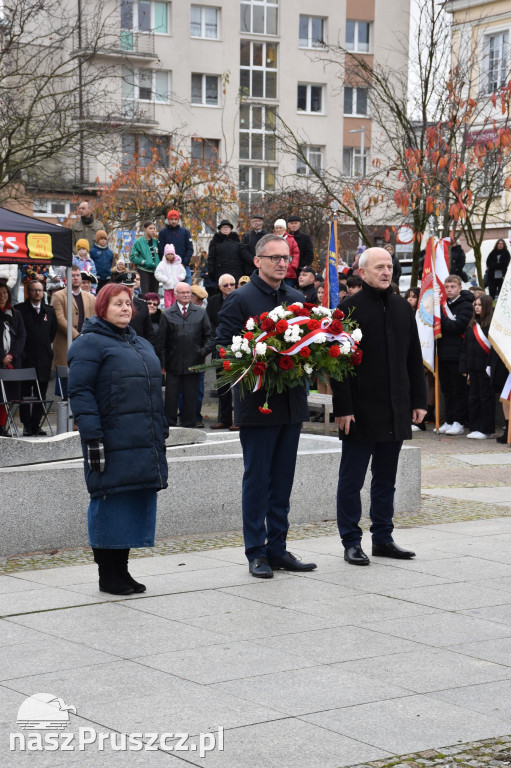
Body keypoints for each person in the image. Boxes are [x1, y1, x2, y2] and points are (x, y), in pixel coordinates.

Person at [215, 234, 317, 578]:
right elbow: (222, 348)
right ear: (257, 261)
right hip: (258, 404)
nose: (281, 263)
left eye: (285, 258)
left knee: (283, 481)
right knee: (258, 480)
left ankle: (278, 548)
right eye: (274, 257)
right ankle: (256, 552)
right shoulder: (240, 299)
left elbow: (307, 341)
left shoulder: (296, 297)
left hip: (292, 403)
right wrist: (257, 358)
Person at [68, 283, 168, 596]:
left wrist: (160, 429)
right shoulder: (89, 344)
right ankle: (107, 575)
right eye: (117, 304)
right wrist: (93, 438)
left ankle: (122, 571)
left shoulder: (139, 343)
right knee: (110, 502)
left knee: (131, 502)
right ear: (102, 308)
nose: (125, 308)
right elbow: (80, 393)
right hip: (110, 439)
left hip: (141, 438)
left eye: (128, 303)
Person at [331, 248, 427, 566]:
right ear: (363, 272)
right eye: (380, 267)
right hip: (359, 410)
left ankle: (383, 538)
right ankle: (351, 541)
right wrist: (343, 408)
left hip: (396, 407)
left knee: (386, 478)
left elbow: (413, 358)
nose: (387, 271)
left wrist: (418, 401)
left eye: (390, 266)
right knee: (352, 479)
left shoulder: (402, 308)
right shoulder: (348, 310)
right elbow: (338, 366)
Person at [157, 282, 214, 428]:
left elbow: (210, 337)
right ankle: (168, 424)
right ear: (175, 294)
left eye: (188, 292)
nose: (186, 295)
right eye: (182, 293)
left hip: (194, 362)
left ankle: (189, 424)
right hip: (173, 363)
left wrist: (202, 351)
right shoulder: (167, 314)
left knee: (191, 396)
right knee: (171, 397)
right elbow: (161, 342)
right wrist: (162, 364)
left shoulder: (201, 312)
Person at [15, 280, 57, 436]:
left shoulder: (49, 311)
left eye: (40, 290)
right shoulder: (19, 310)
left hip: (43, 359)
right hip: (26, 359)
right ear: (28, 291)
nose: (37, 293)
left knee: (41, 394)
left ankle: (36, 424)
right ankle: (26, 424)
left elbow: (52, 333)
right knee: (24, 394)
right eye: (34, 290)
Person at [437, 275, 474, 435]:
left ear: (460, 288)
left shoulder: (466, 306)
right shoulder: (442, 305)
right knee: (447, 389)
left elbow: (457, 327)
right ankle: (450, 419)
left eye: (453, 286)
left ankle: (459, 421)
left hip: (458, 353)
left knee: (458, 389)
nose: (449, 289)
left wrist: (440, 319)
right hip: (443, 352)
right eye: (447, 287)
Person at [460, 294, 495, 439]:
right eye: (475, 304)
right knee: (473, 398)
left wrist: (490, 366)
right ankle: (475, 427)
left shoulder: (491, 325)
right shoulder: (472, 324)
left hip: (485, 368)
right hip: (472, 367)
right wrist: (464, 367)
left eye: (480, 305)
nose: (476, 307)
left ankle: (486, 429)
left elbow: (494, 349)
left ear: (486, 306)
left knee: (485, 398)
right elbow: (465, 348)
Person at [207, 274, 238, 431]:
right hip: (220, 344)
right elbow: (210, 323)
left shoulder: (241, 298)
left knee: (239, 385)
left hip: (238, 345)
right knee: (223, 385)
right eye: (225, 285)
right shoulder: (213, 302)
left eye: (232, 284)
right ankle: (224, 419)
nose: (229, 287)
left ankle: (239, 420)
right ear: (219, 287)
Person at [52, 267, 96, 374]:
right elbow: (59, 319)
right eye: (72, 276)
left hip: (86, 345)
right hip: (65, 344)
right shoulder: (58, 296)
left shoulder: (91, 297)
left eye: (77, 275)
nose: (76, 278)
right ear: (66, 278)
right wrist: (77, 335)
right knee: (63, 383)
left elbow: (95, 318)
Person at [0, 282, 26, 437]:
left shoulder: (16, 314)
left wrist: (11, 355)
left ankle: (2, 425)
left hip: (12, 361)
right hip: (1, 360)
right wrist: (2, 356)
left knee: (8, 396)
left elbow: (22, 336)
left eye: (5, 293)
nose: (2, 296)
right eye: (0, 293)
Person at [114, 271, 155, 345]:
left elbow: (149, 332)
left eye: (131, 286)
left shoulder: (143, 305)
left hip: (138, 348)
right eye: (126, 286)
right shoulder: (112, 305)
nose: (129, 289)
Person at [207, 220, 249, 286]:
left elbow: (242, 256)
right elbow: (211, 258)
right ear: (220, 229)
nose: (226, 229)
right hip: (221, 271)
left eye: (227, 227)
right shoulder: (215, 241)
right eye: (223, 227)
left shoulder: (236, 241)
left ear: (231, 229)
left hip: (236, 271)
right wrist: (211, 272)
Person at [158, 210, 193, 284]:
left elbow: (189, 249)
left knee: (186, 289)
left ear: (178, 220)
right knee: (170, 290)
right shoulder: (163, 233)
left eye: (175, 219)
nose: (173, 221)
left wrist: (184, 263)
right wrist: (167, 262)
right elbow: (161, 249)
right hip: (168, 267)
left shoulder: (185, 232)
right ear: (168, 220)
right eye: (171, 219)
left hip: (183, 266)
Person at [130, 221, 160, 295]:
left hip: (155, 271)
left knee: (154, 294)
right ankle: (144, 306)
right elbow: (133, 257)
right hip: (143, 271)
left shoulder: (157, 242)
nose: (153, 230)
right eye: (150, 228)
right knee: (145, 294)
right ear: (145, 229)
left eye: (154, 228)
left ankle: (153, 306)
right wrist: (143, 261)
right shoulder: (138, 242)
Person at [273, 219, 300, 287]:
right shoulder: (271, 239)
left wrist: (292, 265)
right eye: (276, 228)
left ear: (284, 228)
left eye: (280, 227)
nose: (278, 229)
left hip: (288, 271)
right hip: (274, 269)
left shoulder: (291, 239)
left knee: (287, 291)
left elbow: (296, 253)